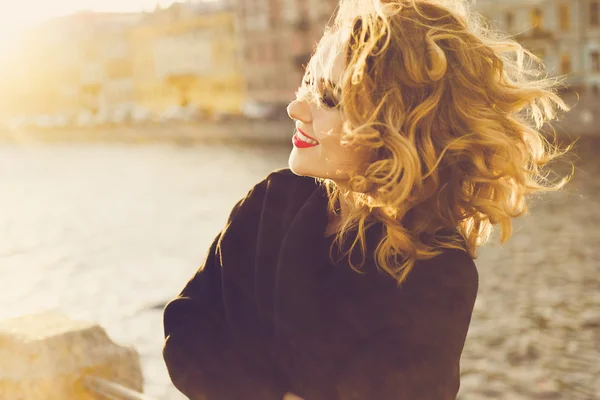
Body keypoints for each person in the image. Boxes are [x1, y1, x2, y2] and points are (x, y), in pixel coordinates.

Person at [162, 0, 573, 399]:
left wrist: (230, 373)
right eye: (307, 82)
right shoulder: (272, 199)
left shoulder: (435, 267)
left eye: (328, 99)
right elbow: (185, 326)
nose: (295, 108)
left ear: (395, 125)